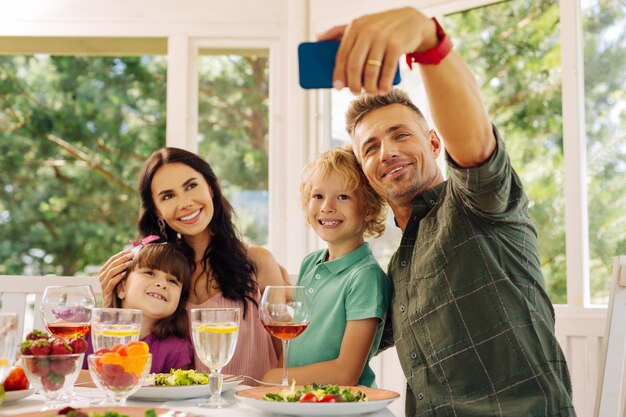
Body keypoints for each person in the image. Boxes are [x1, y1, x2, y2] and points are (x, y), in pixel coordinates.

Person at [320, 6, 575, 417]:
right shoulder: (395, 270)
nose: (387, 152)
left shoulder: (476, 205)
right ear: (366, 174)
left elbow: (475, 145)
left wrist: (428, 41)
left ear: (435, 144)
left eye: (401, 134)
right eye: (370, 148)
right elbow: (335, 341)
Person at [98, 147, 286, 383]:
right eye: (168, 196)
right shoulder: (156, 276)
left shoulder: (257, 261)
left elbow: (287, 353)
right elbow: (134, 350)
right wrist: (111, 301)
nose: (185, 202)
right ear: (157, 210)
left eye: (191, 186)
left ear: (210, 187)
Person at [262, 145, 391, 387]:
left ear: (369, 209)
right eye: (318, 196)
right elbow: (295, 343)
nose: (327, 207)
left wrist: (275, 377)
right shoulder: (311, 263)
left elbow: (345, 374)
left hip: (343, 406)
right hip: (302, 399)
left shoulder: (365, 277)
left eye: (343, 196)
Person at [84, 239, 194, 373]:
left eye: (172, 281)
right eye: (150, 273)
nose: (162, 284)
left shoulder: (177, 349)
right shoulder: (84, 333)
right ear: (122, 288)